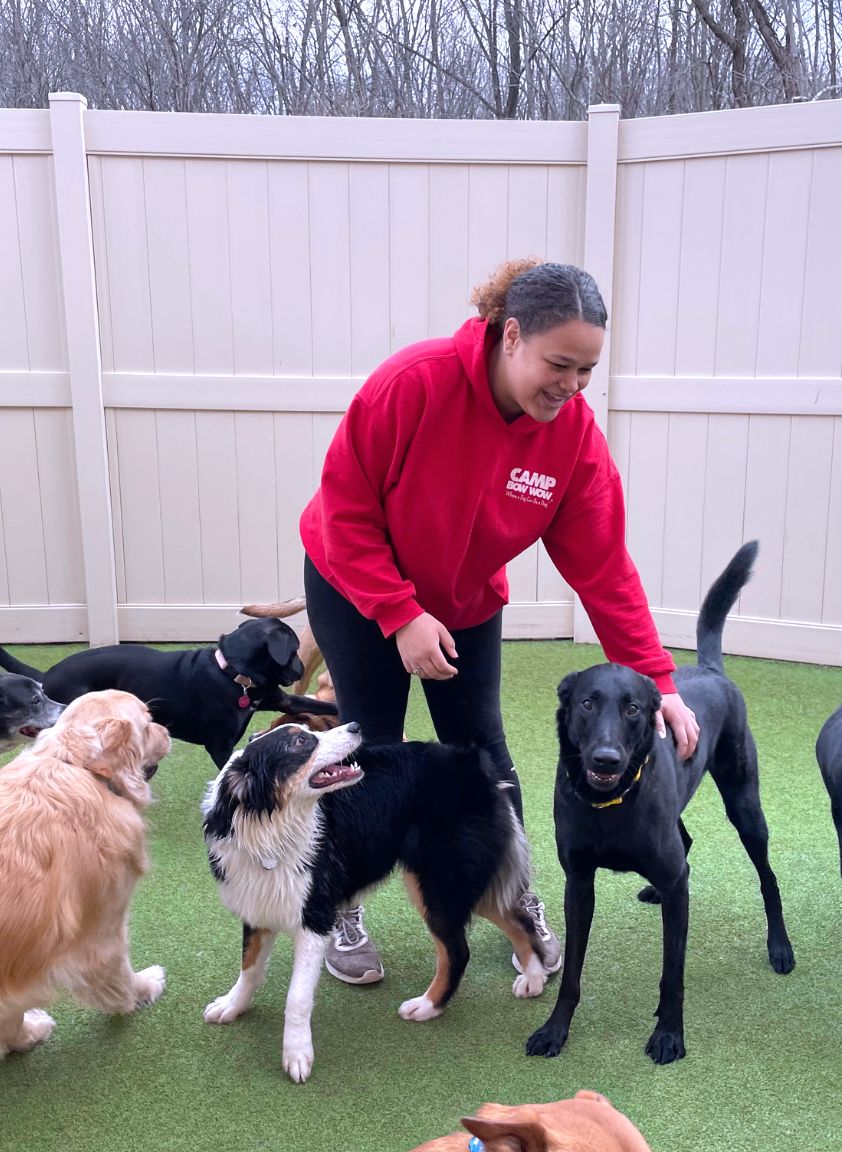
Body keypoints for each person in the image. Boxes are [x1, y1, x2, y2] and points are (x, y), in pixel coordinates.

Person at [300, 257, 700, 985]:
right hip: (356, 589)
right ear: (510, 336)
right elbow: (344, 512)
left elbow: (604, 569)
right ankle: (339, 901)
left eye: (586, 370)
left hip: (463, 599)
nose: (572, 386)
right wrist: (397, 613)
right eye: (559, 363)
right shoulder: (411, 385)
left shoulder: (571, 439)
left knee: (480, 750)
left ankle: (509, 895)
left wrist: (661, 681)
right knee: (370, 748)